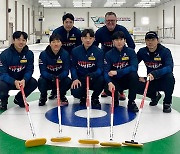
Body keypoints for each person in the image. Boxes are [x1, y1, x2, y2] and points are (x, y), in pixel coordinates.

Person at [94, 11, 135, 100]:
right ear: (105, 21)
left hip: (121, 57)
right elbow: (94, 47)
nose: (110, 22)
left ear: (116, 20)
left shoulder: (122, 30)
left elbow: (131, 44)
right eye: (108, 20)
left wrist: (128, 55)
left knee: (123, 73)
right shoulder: (100, 32)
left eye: (112, 20)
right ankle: (106, 89)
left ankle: (121, 91)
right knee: (104, 73)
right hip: (107, 58)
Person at [137, 31, 175, 113]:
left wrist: (155, 74)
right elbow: (133, 64)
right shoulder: (142, 52)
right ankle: (154, 95)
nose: (150, 42)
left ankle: (167, 102)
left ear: (157, 40)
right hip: (150, 79)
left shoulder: (165, 51)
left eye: (153, 39)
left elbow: (169, 67)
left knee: (170, 77)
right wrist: (140, 77)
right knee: (135, 83)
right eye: (148, 40)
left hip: (163, 79)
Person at [0, 31, 37, 111]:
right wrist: (14, 81)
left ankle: (19, 99)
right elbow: (2, 74)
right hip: (9, 82)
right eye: (18, 39)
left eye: (23, 40)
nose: (21, 42)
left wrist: (24, 79)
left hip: (22, 81)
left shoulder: (29, 54)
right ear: (13, 40)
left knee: (33, 82)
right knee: (1, 84)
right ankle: (3, 101)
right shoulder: (4, 55)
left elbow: (29, 70)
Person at [104, 31, 139, 112]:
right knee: (105, 84)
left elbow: (134, 67)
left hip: (126, 80)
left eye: (121, 39)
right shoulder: (108, 54)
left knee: (134, 76)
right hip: (115, 81)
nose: (119, 42)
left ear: (125, 40)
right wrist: (109, 82)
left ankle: (131, 102)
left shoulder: (130, 52)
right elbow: (105, 71)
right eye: (116, 40)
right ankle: (115, 99)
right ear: (113, 42)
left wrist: (117, 72)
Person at [51, 13, 82, 100]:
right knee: (57, 74)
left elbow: (79, 47)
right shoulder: (57, 32)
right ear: (63, 22)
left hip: (72, 57)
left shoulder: (77, 32)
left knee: (72, 72)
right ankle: (54, 91)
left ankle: (72, 89)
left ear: (73, 23)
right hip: (60, 57)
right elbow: (53, 45)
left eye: (70, 22)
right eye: (66, 22)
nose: (68, 24)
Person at [71, 29, 104, 108]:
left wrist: (93, 74)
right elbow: (72, 67)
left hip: (93, 78)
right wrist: (75, 78)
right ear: (82, 38)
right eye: (85, 38)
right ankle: (83, 96)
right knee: (76, 91)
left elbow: (100, 68)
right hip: (81, 78)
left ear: (94, 39)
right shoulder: (75, 51)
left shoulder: (99, 52)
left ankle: (95, 97)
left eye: (90, 38)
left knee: (102, 80)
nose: (88, 40)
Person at [38, 34, 72, 106]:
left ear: (61, 43)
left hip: (60, 79)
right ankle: (43, 96)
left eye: (58, 42)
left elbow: (66, 70)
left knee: (68, 81)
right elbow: (43, 71)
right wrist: (51, 77)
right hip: (48, 79)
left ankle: (62, 95)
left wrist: (60, 77)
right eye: (53, 42)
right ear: (50, 43)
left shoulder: (65, 54)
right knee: (41, 81)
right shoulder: (43, 54)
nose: (56, 44)